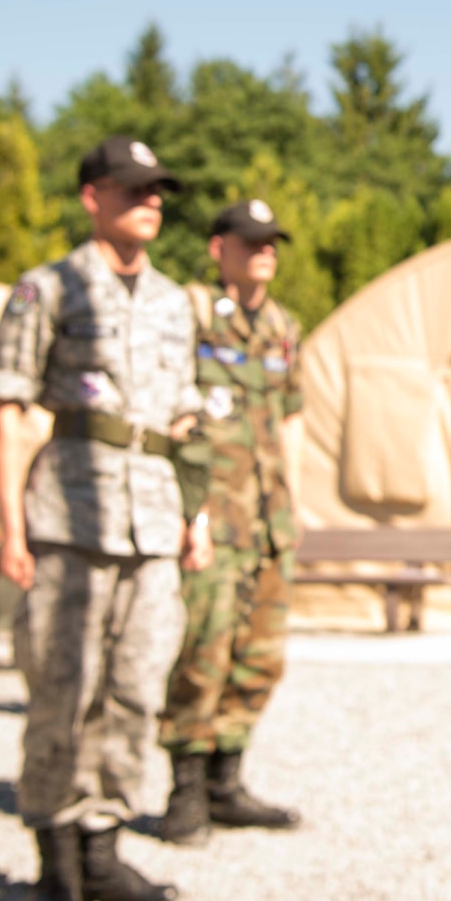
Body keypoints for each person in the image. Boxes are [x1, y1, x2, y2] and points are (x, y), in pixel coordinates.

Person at [0, 135, 208, 901]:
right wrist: (10, 527)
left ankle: (105, 840)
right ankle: (54, 863)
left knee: (138, 687)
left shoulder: (178, 300)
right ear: (92, 196)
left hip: (152, 519)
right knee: (62, 688)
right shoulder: (45, 289)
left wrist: (196, 516)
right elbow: (10, 414)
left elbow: (187, 422)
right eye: (133, 187)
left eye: (158, 190)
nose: (150, 200)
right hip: (69, 515)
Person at [158, 199, 304, 844]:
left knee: (260, 654)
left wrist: (296, 512)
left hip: (270, 519)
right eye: (250, 241)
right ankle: (184, 791)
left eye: (271, 242)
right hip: (213, 515)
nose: (264, 251)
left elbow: (291, 423)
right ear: (219, 249)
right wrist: (185, 511)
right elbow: (171, 416)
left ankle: (226, 781)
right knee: (203, 650)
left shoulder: (282, 327)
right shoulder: (188, 315)